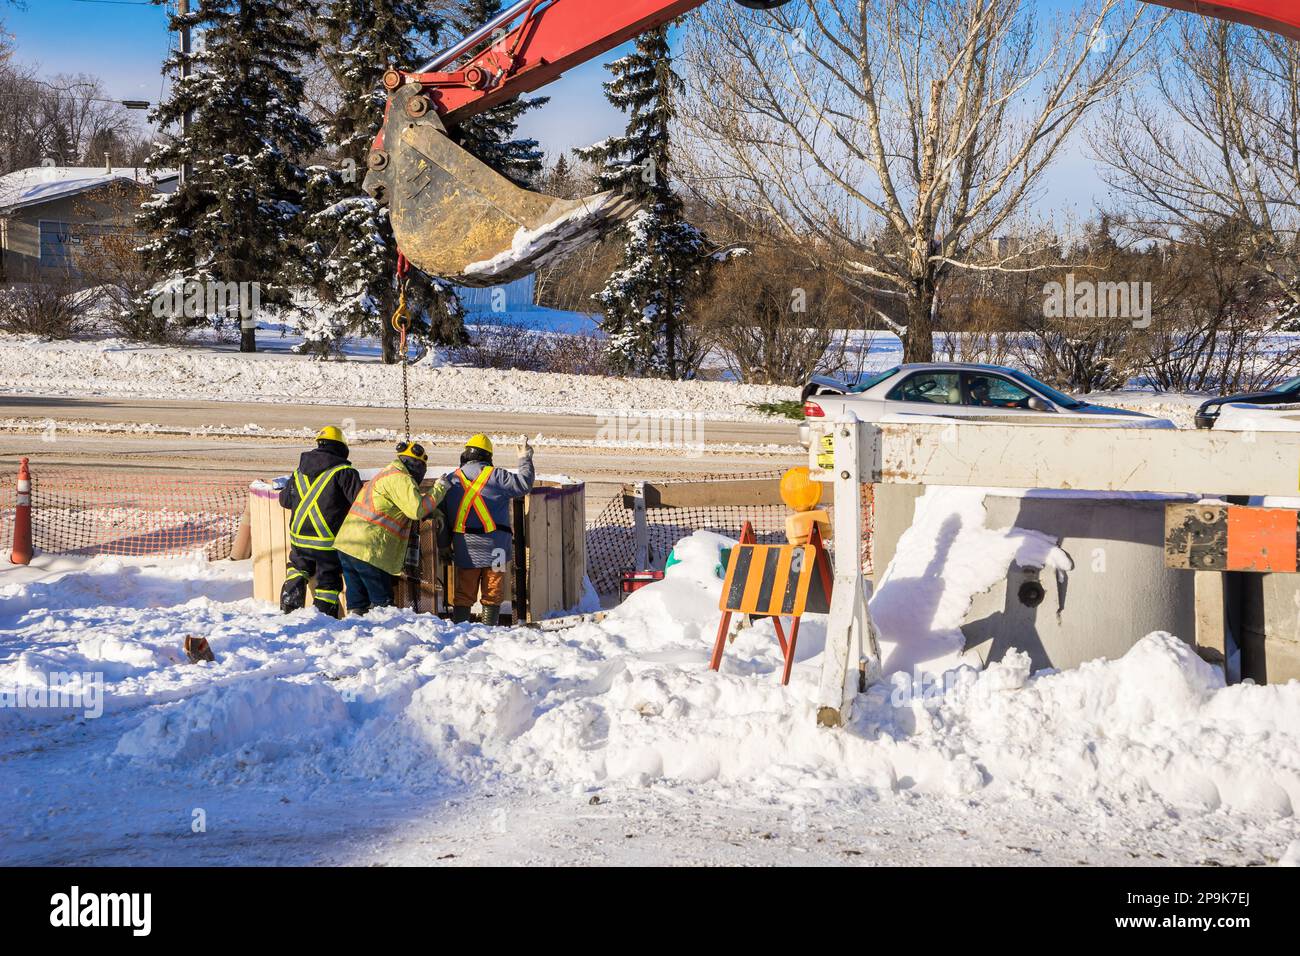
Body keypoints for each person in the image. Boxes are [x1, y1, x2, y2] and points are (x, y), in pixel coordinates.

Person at [334, 441, 447, 615]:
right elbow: (416, 509)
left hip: (348, 545)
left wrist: (433, 508)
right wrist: (439, 489)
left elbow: (403, 500)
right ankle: (388, 636)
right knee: (383, 604)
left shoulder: (387, 473)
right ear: (416, 466)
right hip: (368, 550)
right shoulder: (401, 478)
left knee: (358, 602)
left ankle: (356, 635)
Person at [439, 433, 535, 625]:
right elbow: (524, 484)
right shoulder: (497, 476)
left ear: (465, 455)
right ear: (488, 457)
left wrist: (443, 546)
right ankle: (489, 628)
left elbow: (442, 518)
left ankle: (460, 627)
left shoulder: (451, 481)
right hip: (497, 548)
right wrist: (525, 458)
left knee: (464, 592)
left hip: (466, 548)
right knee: (494, 589)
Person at [278, 425, 362, 618]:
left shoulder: (299, 471)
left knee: (298, 569)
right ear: (342, 448)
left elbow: (285, 500)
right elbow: (360, 504)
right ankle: (323, 617)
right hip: (327, 542)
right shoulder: (345, 472)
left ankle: (291, 600)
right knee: (328, 581)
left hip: (299, 538)